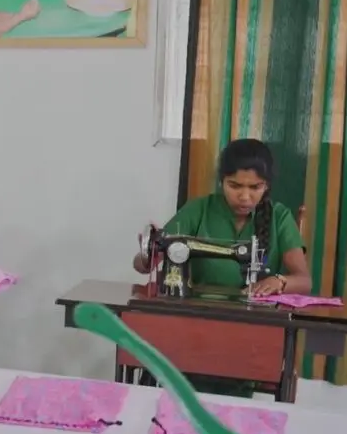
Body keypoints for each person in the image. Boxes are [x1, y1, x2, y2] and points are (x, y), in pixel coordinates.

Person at [132, 138, 311, 395]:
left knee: (232, 357)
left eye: (255, 187)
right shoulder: (200, 209)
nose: (245, 196)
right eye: (234, 185)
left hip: (250, 330)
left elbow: (303, 281)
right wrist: (147, 252)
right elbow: (143, 264)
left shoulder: (278, 217)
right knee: (171, 347)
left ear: (267, 185)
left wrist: (279, 281)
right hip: (193, 322)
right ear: (221, 181)